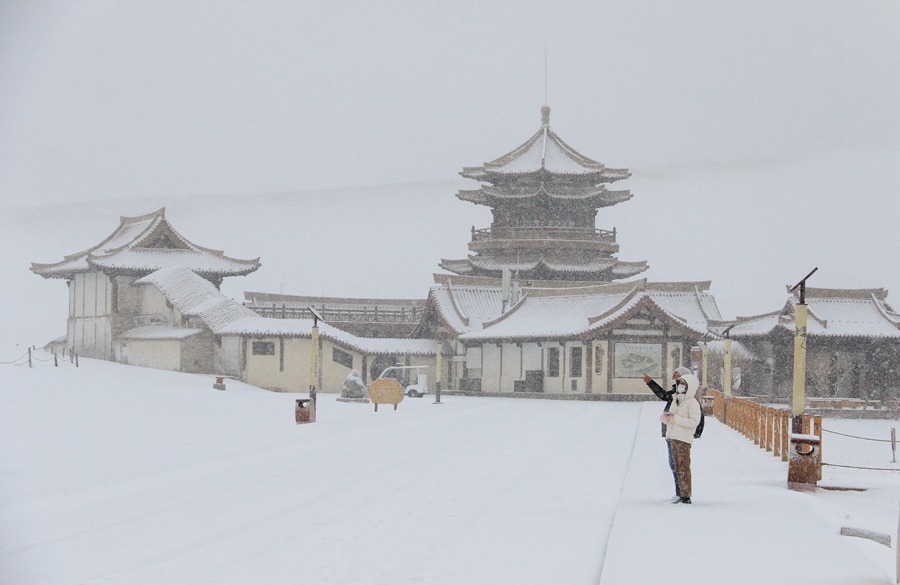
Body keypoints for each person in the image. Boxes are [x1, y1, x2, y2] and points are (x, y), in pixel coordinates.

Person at [643, 366, 691, 502]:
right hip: (671, 431)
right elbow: (666, 396)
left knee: (678, 464)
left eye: (676, 375)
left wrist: (650, 383)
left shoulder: (683, 394)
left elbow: (665, 397)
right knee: (674, 464)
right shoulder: (677, 392)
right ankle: (680, 492)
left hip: (678, 432)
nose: (673, 377)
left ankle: (683, 494)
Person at [661, 373, 702, 504]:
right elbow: (669, 416)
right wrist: (666, 418)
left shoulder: (692, 403)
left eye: (684, 385)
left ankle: (686, 495)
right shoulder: (676, 400)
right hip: (672, 437)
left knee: (684, 466)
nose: (681, 387)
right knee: (677, 466)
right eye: (680, 384)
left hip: (684, 439)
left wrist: (675, 419)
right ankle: (679, 492)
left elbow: (694, 422)